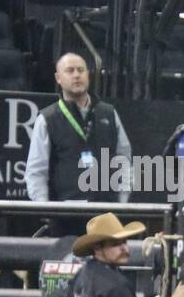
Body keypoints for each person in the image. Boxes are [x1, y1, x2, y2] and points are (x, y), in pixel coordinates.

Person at [25, 53, 131, 212]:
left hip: (106, 213)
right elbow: (36, 171)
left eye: (81, 70)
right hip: (65, 214)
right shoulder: (48, 118)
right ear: (58, 78)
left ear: (88, 75)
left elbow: (124, 161)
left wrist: (121, 204)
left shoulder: (108, 113)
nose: (76, 75)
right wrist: (45, 209)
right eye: (70, 70)